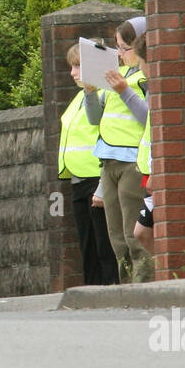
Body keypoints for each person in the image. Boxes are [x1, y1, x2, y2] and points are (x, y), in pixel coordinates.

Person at [84, 16, 153, 283]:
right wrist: (90, 92)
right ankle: (127, 286)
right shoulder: (119, 74)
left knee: (131, 234)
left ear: (142, 45)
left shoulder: (145, 77)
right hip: (109, 162)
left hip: (132, 163)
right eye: (118, 48)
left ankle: (144, 284)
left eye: (124, 48)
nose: (120, 54)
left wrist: (125, 91)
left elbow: (151, 117)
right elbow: (94, 118)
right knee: (117, 239)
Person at [59, 43, 119, 285]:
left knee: (105, 246)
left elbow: (111, 137)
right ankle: (93, 296)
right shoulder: (79, 97)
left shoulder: (106, 95)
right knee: (88, 247)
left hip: (97, 179)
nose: (73, 73)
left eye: (78, 66)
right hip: (78, 181)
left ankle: (111, 293)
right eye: (72, 67)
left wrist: (103, 186)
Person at [131, 34, 155, 257]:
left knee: (142, 232)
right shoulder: (153, 90)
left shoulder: (160, 92)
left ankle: (172, 272)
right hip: (149, 175)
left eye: (141, 62)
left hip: (156, 176)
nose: (139, 67)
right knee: (141, 232)